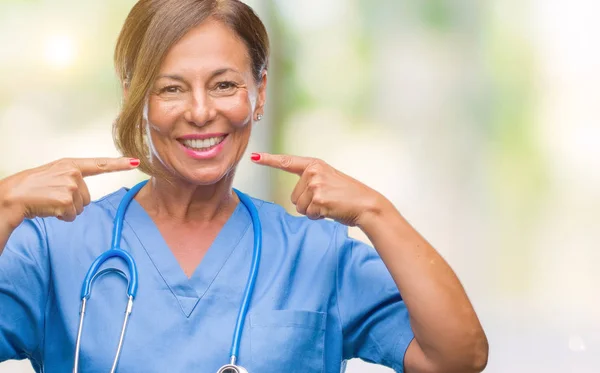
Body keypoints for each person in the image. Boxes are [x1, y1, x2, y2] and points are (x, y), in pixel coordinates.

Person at [0, 0, 488, 372]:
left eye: (224, 85)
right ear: (134, 98)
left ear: (259, 94)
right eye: (171, 88)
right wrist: (3, 206)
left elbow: (458, 358)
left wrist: (378, 213)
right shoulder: (51, 247)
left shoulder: (316, 254)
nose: (199, 111)